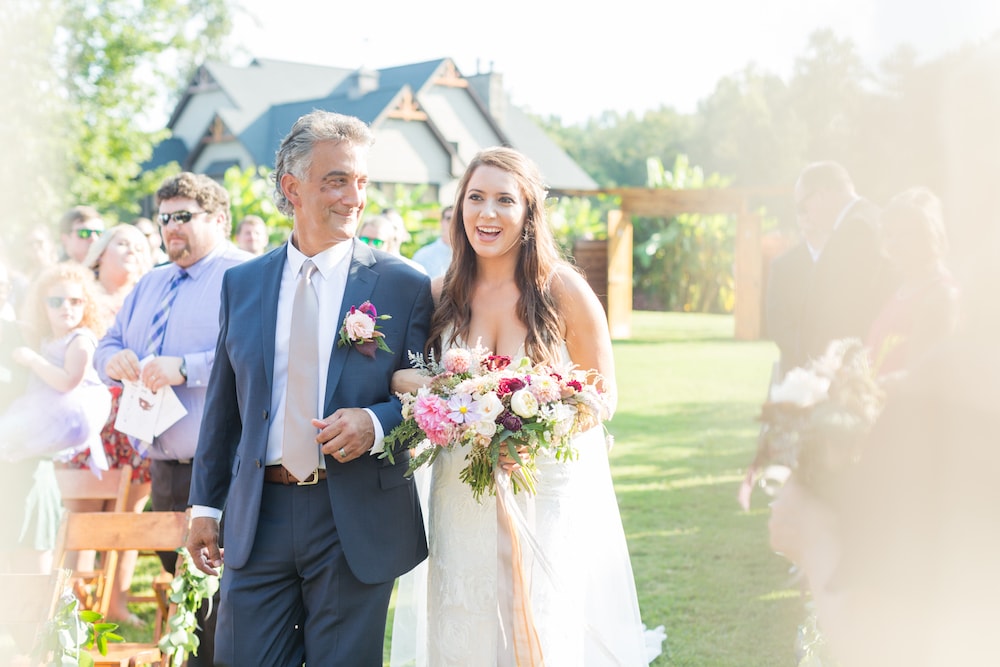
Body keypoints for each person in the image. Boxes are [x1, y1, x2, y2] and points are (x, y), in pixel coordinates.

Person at [389, 147, 660, 665]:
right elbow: (407, 374)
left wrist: (533, 422)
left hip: (544, 486)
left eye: (503, 200)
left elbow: (602, 393)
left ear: (529, 212)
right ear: (460, 206)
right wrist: (451, 396)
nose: (486, 213)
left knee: (542, 616)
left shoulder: (562, 290)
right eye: (475, 198)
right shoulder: (441, 293)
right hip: (461, 490)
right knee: (463, 622)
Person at [186, 110, 433, 666]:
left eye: (361, 181)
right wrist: (204, 504)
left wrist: (376, 424)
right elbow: (224, 407)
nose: (354, 197)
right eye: (337, 180)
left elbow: (430, 396)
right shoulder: (242, 284)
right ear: (291, 187)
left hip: (353, 515)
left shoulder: (405, 285)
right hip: (258, 514)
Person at [96, 172, 252, 666]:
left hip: (220, 465)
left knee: (218, 594)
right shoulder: (151, 282)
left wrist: (187, 367)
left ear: (219, 218)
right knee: (182, 585)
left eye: (183, 216)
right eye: (165, 219)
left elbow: (253, 354)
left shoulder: (244, 275)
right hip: (161, 466)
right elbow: (107, 344)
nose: (170, 228)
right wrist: (114, 361)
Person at [62, 223, 155, 624]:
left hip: (137, 421)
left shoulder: (153, 298)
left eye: (139, 245)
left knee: (128, 519)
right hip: (92, 421)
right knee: (85, 517)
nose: (132, 249)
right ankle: (74, 604)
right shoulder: (82, 298)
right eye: (122, 242)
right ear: (101, 252)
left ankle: (117, 601)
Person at [0, 263, 111, 572]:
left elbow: (67, 381)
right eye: (56, 301)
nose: (66, 307)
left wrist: (33, 360)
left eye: (75, 301)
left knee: (33, 558)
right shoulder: (37, 336)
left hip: (41, 453)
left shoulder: (75, 340)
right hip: (25, 439)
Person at [775, 161, 898, 374]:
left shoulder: (856, 229)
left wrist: (827, 364)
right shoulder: (871, 216)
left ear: (822, 195)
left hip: (848, 366)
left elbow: (846, 310)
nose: (806, 215)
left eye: (804, 206)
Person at [865, 187, 960, 377]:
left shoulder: (941, 294)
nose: (892, 245)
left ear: (930, 235)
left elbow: (928, 375)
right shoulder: (900, 288)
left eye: (904, 235)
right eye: (889, 235)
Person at [358, 213, 426, 273]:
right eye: (364, 240)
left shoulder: (411, 271)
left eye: (377, 242)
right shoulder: (350, 269)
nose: (370, 246)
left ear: (389, 245)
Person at [411, 205, 453, 278]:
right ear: (441, 222)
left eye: (458, 219)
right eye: (449, 219)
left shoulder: (472, 256)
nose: (453, 223)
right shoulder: (422, 256)